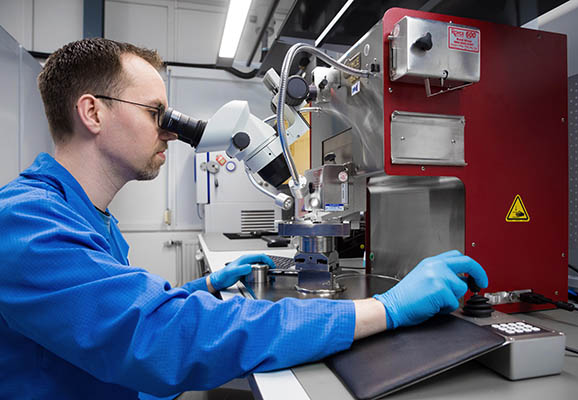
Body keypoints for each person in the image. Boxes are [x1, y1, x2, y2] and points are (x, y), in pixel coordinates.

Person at [0, 38, 488, 399]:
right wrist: (387, 309)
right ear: (93, 112)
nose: (170, 131)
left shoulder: (84, 213)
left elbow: (116, 310)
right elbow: (164, 337)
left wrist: (206, 288)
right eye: (156, 112)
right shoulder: (25, 225)